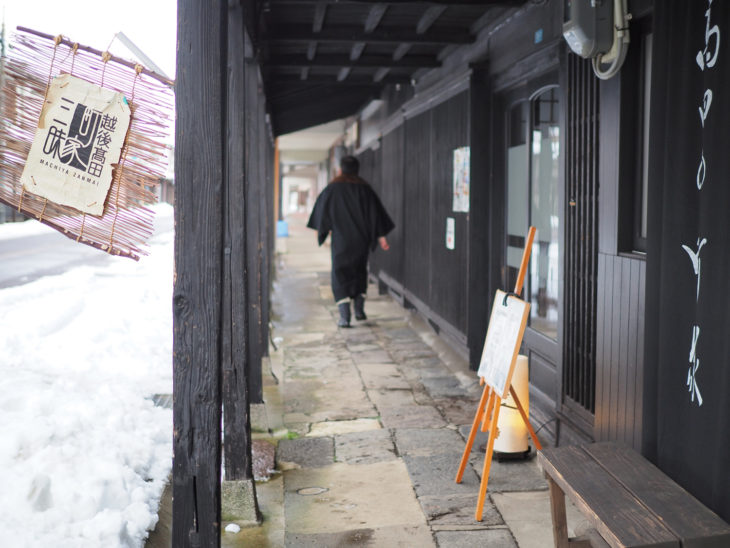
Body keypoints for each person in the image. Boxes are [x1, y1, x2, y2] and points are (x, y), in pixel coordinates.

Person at [307, 155, 394, 327]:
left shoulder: (332, 189)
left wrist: (322, 233)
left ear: (340, 169)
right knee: (359, 271)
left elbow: (322, 212)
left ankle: (344, 317)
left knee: (340, 274)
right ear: (357, 169)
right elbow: (375, 215)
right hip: (361, 241)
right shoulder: (365, 189)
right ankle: (359, 310)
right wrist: (381, 236)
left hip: (341, 241)